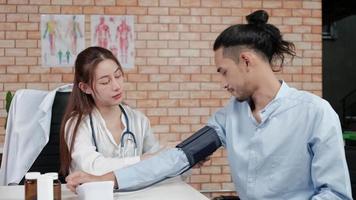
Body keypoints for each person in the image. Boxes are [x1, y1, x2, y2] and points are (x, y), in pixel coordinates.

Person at [65, 10, 353, 199]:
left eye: (223, 71)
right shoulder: (229, 117)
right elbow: (178, 157)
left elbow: (335, 194)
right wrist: (108, 178)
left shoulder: (315, 112)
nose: (223, 82)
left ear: (246, 61)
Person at [59, 46, 160, 177]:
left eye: (117, 76)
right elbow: (93, 167)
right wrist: (141, 160)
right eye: (105, 82)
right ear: (85, 88)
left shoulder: (139, 120)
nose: (116, 86)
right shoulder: (77, 124)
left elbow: (158, 161)